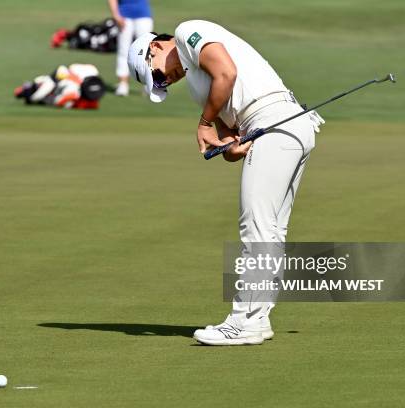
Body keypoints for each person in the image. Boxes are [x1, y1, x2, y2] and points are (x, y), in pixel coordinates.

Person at [127, 20, 324, 345]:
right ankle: (257, 320)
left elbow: (227, 73)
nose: (166, 82)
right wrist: (230, 146)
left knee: (257, 228)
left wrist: (204, 123)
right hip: (282, 131)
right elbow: (232, 140)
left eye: (158, 76)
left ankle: (243, 323)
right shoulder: (196, 84)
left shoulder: (186, 32)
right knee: (271, 230)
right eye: (161, 85)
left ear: (155, 48)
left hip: (277, 122)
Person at [108, 0, 153, 96]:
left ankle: (148, 84)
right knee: (124, 51)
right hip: (124, 15)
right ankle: (123, 84)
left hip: (144, 15)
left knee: (145, 51)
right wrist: (116, 15)